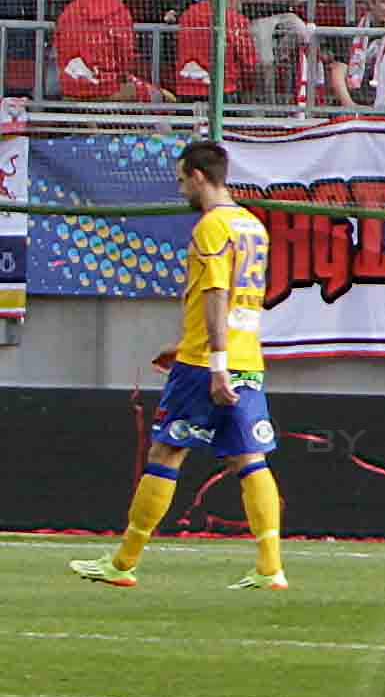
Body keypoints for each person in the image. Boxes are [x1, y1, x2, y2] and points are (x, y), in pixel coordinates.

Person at [71, 140, 285, 591]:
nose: (181, 187)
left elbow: (217, 294)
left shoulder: (211, 227)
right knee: (251, 458)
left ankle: (123, 564)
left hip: (209, 365)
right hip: (246, 358)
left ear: (198, 175)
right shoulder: (253, 226)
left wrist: (214, 361)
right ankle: (271, 567)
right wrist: (195, 344)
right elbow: (243, 303)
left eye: (182, 178)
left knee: (166, 453)